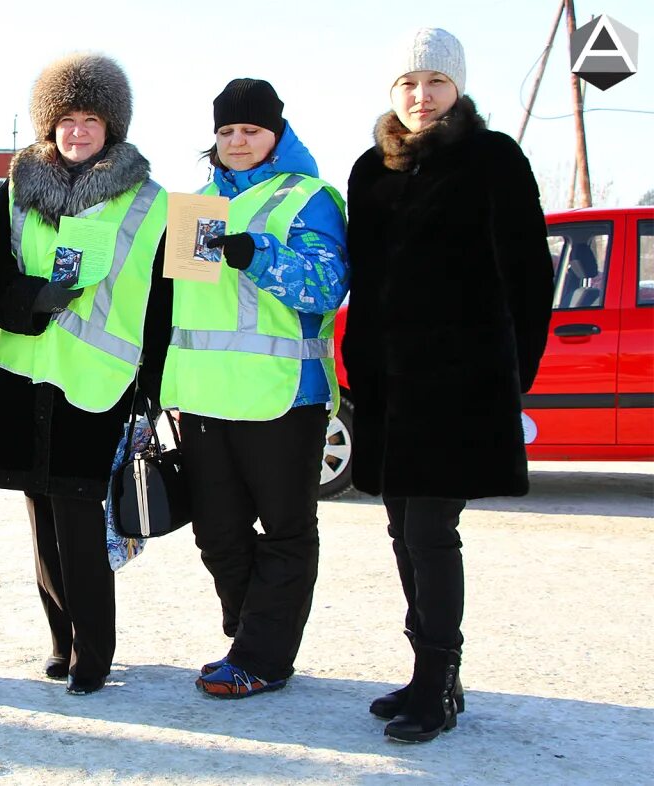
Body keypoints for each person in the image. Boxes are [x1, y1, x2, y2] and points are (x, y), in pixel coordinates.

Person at [343, 28, 554, 741]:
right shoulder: (369, 169)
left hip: (460, 390)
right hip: (387, 390)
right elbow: (367, 285)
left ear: (457, 88)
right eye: (408, 84)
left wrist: (508, 377)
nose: (421, 96)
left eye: (435, 82)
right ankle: (427, 673)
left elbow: (530, 277)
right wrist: (359, 363)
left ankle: (438, 685)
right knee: (403, 531)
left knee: (432, 532)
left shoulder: (493, 160)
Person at [0, 53, 169, 696]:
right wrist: (36, 299)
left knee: (81, 520)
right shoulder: (18, 187)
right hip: (25, 370)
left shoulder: (149, 199)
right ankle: (60, 639)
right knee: (40, 514)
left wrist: (156, 384)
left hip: (96, 378)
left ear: (111, 126)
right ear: (49, 124)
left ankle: (95, 651)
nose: (78, 130)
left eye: (92, 118)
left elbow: (164, 296)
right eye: (66, 118)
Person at [158, 79, 348, 699]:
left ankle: (261, 656)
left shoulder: (311, 198)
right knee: (218, 531)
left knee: (286, 529)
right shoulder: (199, 203)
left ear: (277, 134)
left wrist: (255, 253)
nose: (238, 142)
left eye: (251, 130)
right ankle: (250, 636)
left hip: (282, 393)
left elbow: (326, 287)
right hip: (205, 397)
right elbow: (184, 307)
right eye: (227, 132)